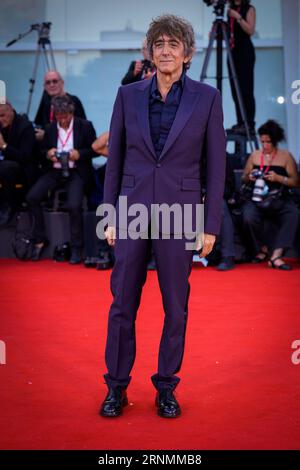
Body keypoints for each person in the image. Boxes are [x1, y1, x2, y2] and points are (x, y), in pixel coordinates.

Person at [100, 14, 226, 419]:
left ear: (187, 54)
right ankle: (116, 387)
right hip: (132, 211)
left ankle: (166, 387)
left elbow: (216, 167)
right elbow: (115, 160)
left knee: (176, 306)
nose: (166, 50)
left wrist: (210, 226)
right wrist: (110, 216)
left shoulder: (207, 98)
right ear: (149, 53)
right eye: (159, 44)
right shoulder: (128, 95)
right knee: (122, 303)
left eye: (174, 44)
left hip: (182, 213)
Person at [27, 95, 96, 264]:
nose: (63, 120)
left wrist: (79, 154)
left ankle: (77, 248)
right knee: (32, 197)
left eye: (65, 116)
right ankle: (39, 239)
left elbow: (94, 150)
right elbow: (40, 153)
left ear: (71, 113)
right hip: (55, 171)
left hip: (75, 172)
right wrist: (48, 154)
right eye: (59, 117)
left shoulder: (84, 126)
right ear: (54, 115)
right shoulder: (50, 129)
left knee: (74, 206)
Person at [242, 120, 299, 270]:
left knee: (293, 214)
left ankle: (277, 255)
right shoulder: (255, 155)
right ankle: (262, 248)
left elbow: (296, 181)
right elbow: (244, 177)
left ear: (275, 141)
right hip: (256, 198)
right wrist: (250, 177)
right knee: (248, 217)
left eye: (268, 142)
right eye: (262, 142)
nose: (265, 145)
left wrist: (279, 178)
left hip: (278, 198)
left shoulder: (285, 156)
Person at [0, 101, 36, 224]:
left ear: (11, 110)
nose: (0, 119)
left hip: (24, 169)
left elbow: (25, 156)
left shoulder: (25, 126)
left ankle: (10, 206)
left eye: (2, 115)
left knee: (6, 167)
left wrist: (4, 146)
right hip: (6, 164)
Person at [227, 0, 256, 133]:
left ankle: (248, 123)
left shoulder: (249, 9)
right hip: (232, 52)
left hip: (245, 52)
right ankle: (240, 122)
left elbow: (250, 30)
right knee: (235, 90)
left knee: (246, 89)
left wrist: (238, 17)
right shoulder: (230, 9)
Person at [34, 70, 86, 141]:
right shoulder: (45, 103)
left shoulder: (74, 101)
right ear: (45, 87)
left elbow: (82, 130)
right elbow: (40, 125)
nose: (51, 85)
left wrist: (47, 135)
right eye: (48, 83)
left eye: (55, 81)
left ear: (62, 83)